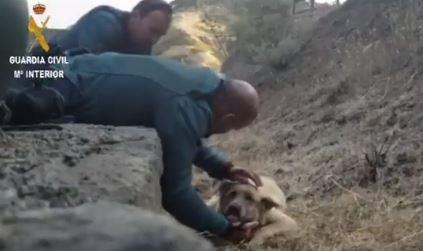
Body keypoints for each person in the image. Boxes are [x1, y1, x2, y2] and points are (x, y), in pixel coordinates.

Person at [1, 52, 261, 242]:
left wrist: (224, 167)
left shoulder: (204, 84)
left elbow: (183, 136)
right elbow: (177, 194)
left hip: (62, 69)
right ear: (229, 120)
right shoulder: (186, 106)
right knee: (19, 110)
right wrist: (225, 229)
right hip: (51, 88)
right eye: (232, 128)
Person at [32, 0, 172, 56]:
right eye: (153, 31)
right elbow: (88, 69)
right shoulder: (105, 24)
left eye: (160, 35)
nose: (155, 39)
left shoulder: (142, 42)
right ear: (136, 16)